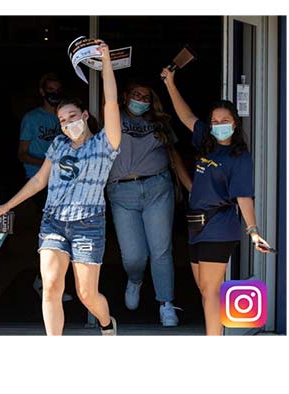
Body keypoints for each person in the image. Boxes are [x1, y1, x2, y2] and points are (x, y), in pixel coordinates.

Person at [0, 39, 122, 336]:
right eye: (62, 121)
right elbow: (39, 180)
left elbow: (110, 103)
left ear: (85, 116)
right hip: (53, 221)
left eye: (72, 117)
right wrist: (6, 206)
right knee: (50, 286)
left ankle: (106, 322)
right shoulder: (59, 143)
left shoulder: (105, 143)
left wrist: (107, 63)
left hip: (88, 224)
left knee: (86, 294)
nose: (67, 124)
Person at [161, 66, 273, 336]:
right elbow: (185, 115)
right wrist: (169, 84)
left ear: (235, 122)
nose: (220, 125)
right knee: (204, 288)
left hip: (220, 225)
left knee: (211, 290)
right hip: (196, 224)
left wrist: (253, 231)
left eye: (225, 120)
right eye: (215, 121)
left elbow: (243, 196)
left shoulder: (239, 157)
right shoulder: (206, 141)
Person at [106, 79, 195, 327]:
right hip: (122, 191)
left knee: (161, 250)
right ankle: (135, 279)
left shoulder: (160, 122)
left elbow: (173, 155)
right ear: (125, 96)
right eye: (136, 94)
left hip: (157, 187)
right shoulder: (112, 117)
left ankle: (166, 303)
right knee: (133, 256)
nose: (141, 100)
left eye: (146, 97)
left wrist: (190, 188)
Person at [18, 73, 74, 303]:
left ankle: (51, 282)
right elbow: (21, 153)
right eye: (50, 89)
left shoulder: (67, 117)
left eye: (58, 89)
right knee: (50, 233)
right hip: (40, 184)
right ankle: (44, 281)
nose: (54, 94)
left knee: (66, 233)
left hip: (65, 183)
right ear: (42, 91)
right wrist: (47, 166)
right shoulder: (31, 118)